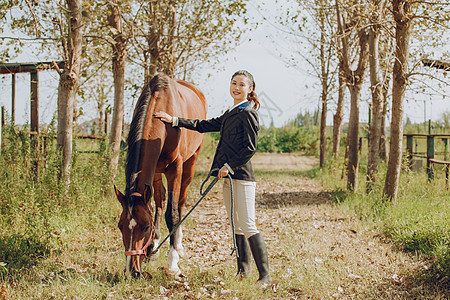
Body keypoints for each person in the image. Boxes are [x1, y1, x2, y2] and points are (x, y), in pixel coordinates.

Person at [154, 70, 272, 287]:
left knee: (248, 224)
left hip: (242, 177)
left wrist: (228, 166)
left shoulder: (248, 113)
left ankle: (264, 277)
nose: (236, 87)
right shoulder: (232, 111)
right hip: (228, 177)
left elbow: (250, 148)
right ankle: (243, 271)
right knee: (236, 225)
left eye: (241, 85)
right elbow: (205, 125)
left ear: (250, 89)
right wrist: (175, 120)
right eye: (234, 83)